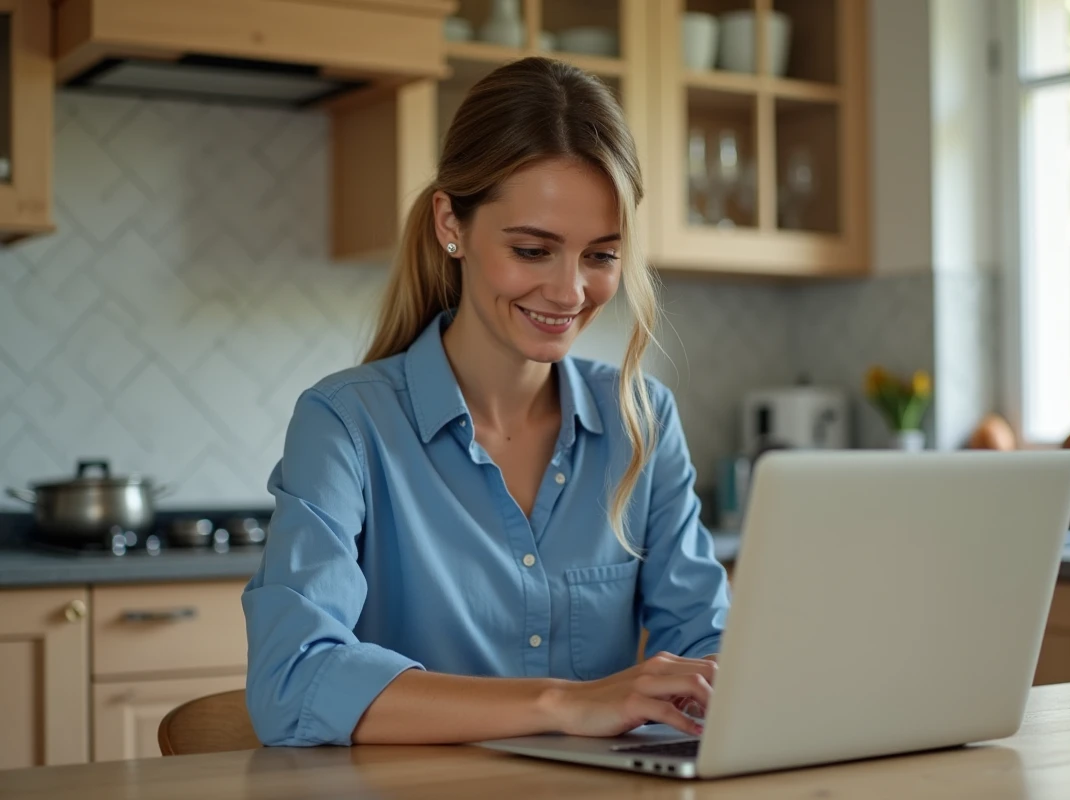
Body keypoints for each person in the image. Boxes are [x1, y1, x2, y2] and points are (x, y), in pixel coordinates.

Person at [242, 57, 730, 748]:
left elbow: (706, 650)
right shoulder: (345, 425)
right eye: (534, 250)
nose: (570, 292)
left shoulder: (642, 421)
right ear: (452, 223)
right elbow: (292, 684)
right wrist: (567, 703)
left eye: (600, 255)